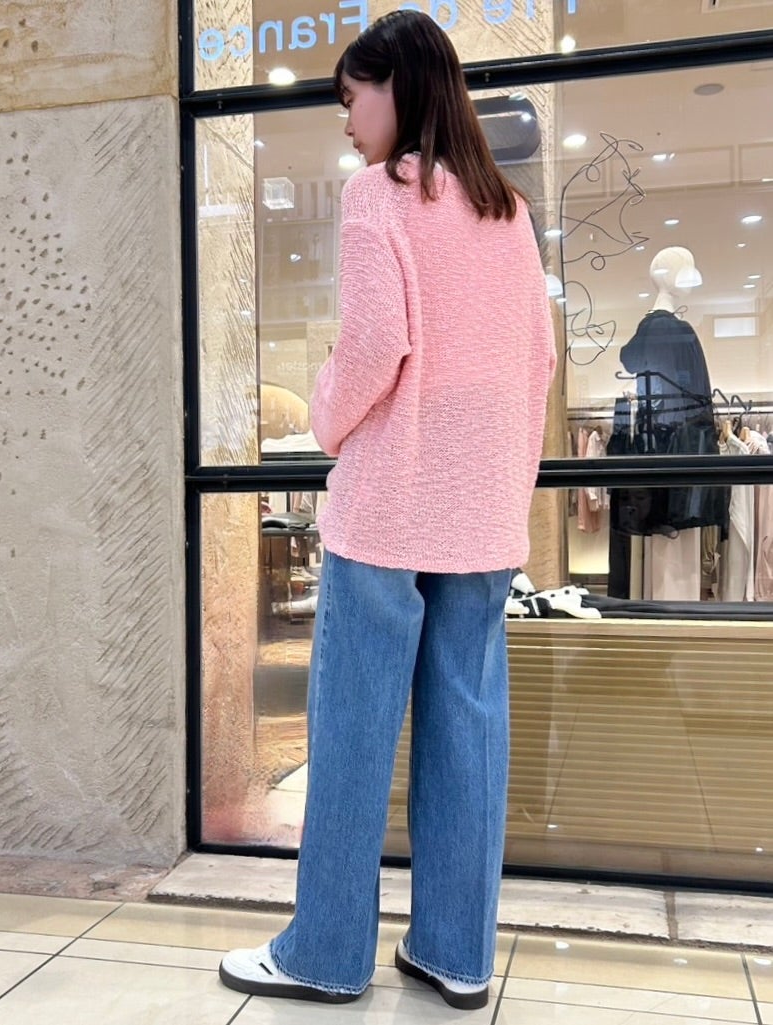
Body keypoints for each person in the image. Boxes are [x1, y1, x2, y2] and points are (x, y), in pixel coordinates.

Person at [219, 9, 556, 1011]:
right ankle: (456, 952)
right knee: (467, 731)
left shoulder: (378, 194)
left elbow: (373, 344)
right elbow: (538, 359)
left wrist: (324, 419)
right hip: (480, 515)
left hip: (389, 507)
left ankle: (325, 952)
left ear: (395, 86)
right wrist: (503, 477)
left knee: (354, 736)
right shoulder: (507, 210)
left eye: (350, 96)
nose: (345, 120)